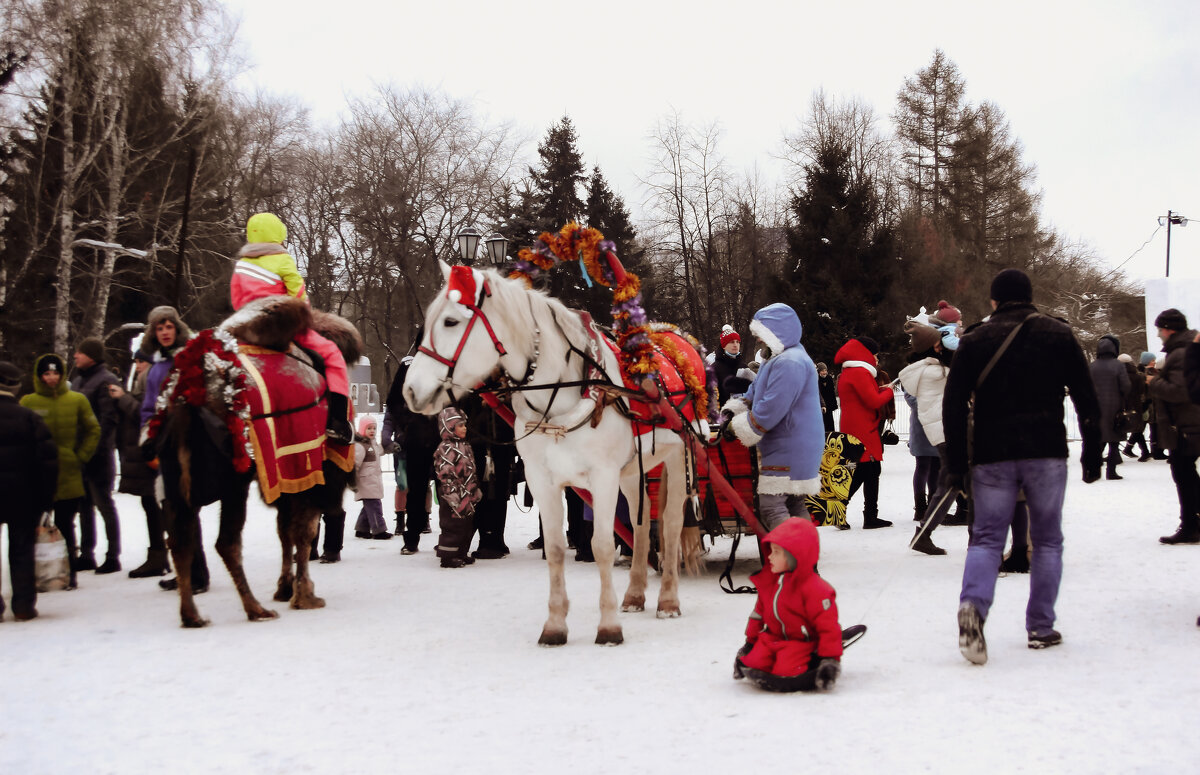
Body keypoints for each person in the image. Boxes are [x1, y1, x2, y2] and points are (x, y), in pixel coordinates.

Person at [942, 268, 1101, 664]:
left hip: (992, 453)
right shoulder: (1059, 334)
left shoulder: (975, 339)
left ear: (994, 301)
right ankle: (1041, 627)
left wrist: (957, 464)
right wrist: (1094, 451)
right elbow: (1085, 395)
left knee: (986, 538)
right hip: (1045, 449)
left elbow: (953, 404)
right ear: (1030, 297)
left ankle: (973, 607)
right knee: (1047, 540)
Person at [232, 212, 353, 444]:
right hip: (280, 328)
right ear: (278, 236)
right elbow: (299, 298)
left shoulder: (241, 265)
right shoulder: (283, 260)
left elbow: (237, 301)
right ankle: (337, 422)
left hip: (247, 328)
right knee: (332, 356)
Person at [724, 304, 824, 532]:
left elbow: (771, 408)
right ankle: (803, 562)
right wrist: (735, 409)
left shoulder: (790, 362)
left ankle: (794, 558)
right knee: (793, 502)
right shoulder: (778, 359)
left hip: (790, 443)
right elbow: (756, 393)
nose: (758, 340)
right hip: (791, 442)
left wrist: (737, 428)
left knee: (771, 506)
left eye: (761, 333)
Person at [139, 306, 210, 594]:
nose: (165, 332)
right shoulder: (155, 368)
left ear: (177, 329)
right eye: (159, 328)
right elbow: (148, 408)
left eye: (169, 326)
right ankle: (183, 568)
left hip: (189, 443)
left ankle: (197, 575)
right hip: (163, 445)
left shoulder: (190, 360)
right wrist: (147, 439)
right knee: (170, 510)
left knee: (186, 510)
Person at [20, 354, 101, 590]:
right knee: (36, 526)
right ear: (39, 376)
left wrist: (81, 456)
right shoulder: (28, 402)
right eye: (46, 373)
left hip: (69, 472)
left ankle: (69, 574)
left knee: (66, 526)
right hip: (38, 476)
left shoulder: (77, 400)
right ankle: (38, 574)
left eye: (55, 373)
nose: (52, 378)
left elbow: (93, 429)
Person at [733, 517, 843, 692]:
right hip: (771, 638)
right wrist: (749, 644)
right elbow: (758, 614)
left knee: (786, 671)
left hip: (800, 642)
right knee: (753, 664)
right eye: (770, 551)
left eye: (776, 552)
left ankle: (814, 661)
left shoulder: (815, 589)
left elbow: (828, 626)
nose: (769, 557)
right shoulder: (770, 583)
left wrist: (830, 659)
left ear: (794, 556)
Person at [0, 361, 58, 621]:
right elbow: (47, 464)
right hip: (23, 496)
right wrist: (46, 501)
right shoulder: (30, 418)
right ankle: (23, 605)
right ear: (15, 387)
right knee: (22, 550)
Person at [109, 348, 170, 577]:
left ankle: (160, 557)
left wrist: (122, 398)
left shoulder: (151, 382)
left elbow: (144, 413)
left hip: (150, 455)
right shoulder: (140, 382)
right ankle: (159, 556)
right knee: (151, 506)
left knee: (157, 508)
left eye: (141, 361)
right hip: (142, 455)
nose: (138, 365)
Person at [898, 320, 953, 555]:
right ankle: (924, 525)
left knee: (946, 480)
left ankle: (925, 525)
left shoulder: (928, 370)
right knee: (949, 481)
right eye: (939, 344)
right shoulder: (935, 372)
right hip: (942, 431)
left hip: (936, 429)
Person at [69, 337, 123, 574]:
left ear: (91, 355)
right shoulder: (79, 380)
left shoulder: (105, 380)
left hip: (99, 455)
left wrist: (97, 448)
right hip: (81, 453)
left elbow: (108, 419)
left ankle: (113, 556)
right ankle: (87, 553)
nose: (75, 356)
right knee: (84, 505)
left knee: (104, 504)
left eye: (79, 353)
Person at [1148, 308, 1200, 545]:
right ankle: (1192, 523)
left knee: (1184, 474)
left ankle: (1191, 525)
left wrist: (1154, 382)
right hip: (1189, 423)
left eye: (1160, 330)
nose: (1159, 335)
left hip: (1186, 425)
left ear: (1169, 329)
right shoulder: (1187, 349)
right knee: (1186, 473)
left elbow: (1182, 391)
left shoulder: (1180, 353)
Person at [834, 336, 895, 529]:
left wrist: (879, 389)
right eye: (875, 355)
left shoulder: (850, 372)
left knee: (871, 470)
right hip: (862, 429)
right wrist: (889, 391)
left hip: (857, 427)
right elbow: (873, 401)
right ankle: (842, 511)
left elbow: (865, 396)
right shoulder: (859, 372)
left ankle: (869, 515)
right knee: (864, 471)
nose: (876, 360)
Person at [381, 357, 439, 555]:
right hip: (416, 438)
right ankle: (412, 536)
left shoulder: (446, 364)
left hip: (443, 436)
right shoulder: (409, 365)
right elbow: (394, 401)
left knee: (447, 488)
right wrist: (407, 423)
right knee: (415, 489)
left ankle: (450, 536)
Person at [433, 407, 482, 568]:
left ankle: (461, 552)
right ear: (449, 427)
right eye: (460, 425)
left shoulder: (465, 445)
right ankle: (447, 556)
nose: (464, 428)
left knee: (466, 525)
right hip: (453, 495)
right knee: (452, 525)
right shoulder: (446, 447)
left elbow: (471, 470)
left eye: (465, 425)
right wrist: (450, 492)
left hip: (467, 493)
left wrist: (475, 489)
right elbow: (445, 472)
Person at [1088, 335, 1130, 480]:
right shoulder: (1118, 365)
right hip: (1115, 407)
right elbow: (1126, 386)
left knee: (1099, 438)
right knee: (1113, 440)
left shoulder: (1091, 366)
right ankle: (1111, 471)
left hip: (1095, 408)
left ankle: (1093, 468)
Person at [351, 417, 390, 540]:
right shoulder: (361, 445)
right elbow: (355, 464)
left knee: (368, 506)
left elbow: (380, 451)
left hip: (373, 480)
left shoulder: (373, 443)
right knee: (375, 506)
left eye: (374, 428)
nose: (372, 431)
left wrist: (390, 448)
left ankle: (361, 529)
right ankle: (379, 530)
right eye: (369, 428)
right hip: (366, 481)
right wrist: (352, 480)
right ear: (362, 429)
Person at [1122, 353, 1152, 461]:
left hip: (1124, 405)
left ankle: (1141, 451)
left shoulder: (1120, 375)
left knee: (1136, 429)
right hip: (1139, 405)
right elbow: (1142, 391)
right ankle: (1143, 452)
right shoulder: (1139, 375)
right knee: (1138, 428)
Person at [712, 325, 746, 407]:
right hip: (723, 415)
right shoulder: (714, 369)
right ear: (724, 345)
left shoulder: (744, 367)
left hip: (743, 415)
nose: (735, 345)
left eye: (737, 342)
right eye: (731, 342)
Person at [816, 362, 838, 435]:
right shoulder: (817, 380)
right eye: (822, 371)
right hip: (821, 405)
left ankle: (831, 435)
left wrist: (834, 405)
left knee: (830, 422)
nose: (824, 372)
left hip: (829, 405)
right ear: (819, 372)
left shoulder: (829, 378)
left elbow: (832, 393)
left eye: (825, 370)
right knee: (823, 422)